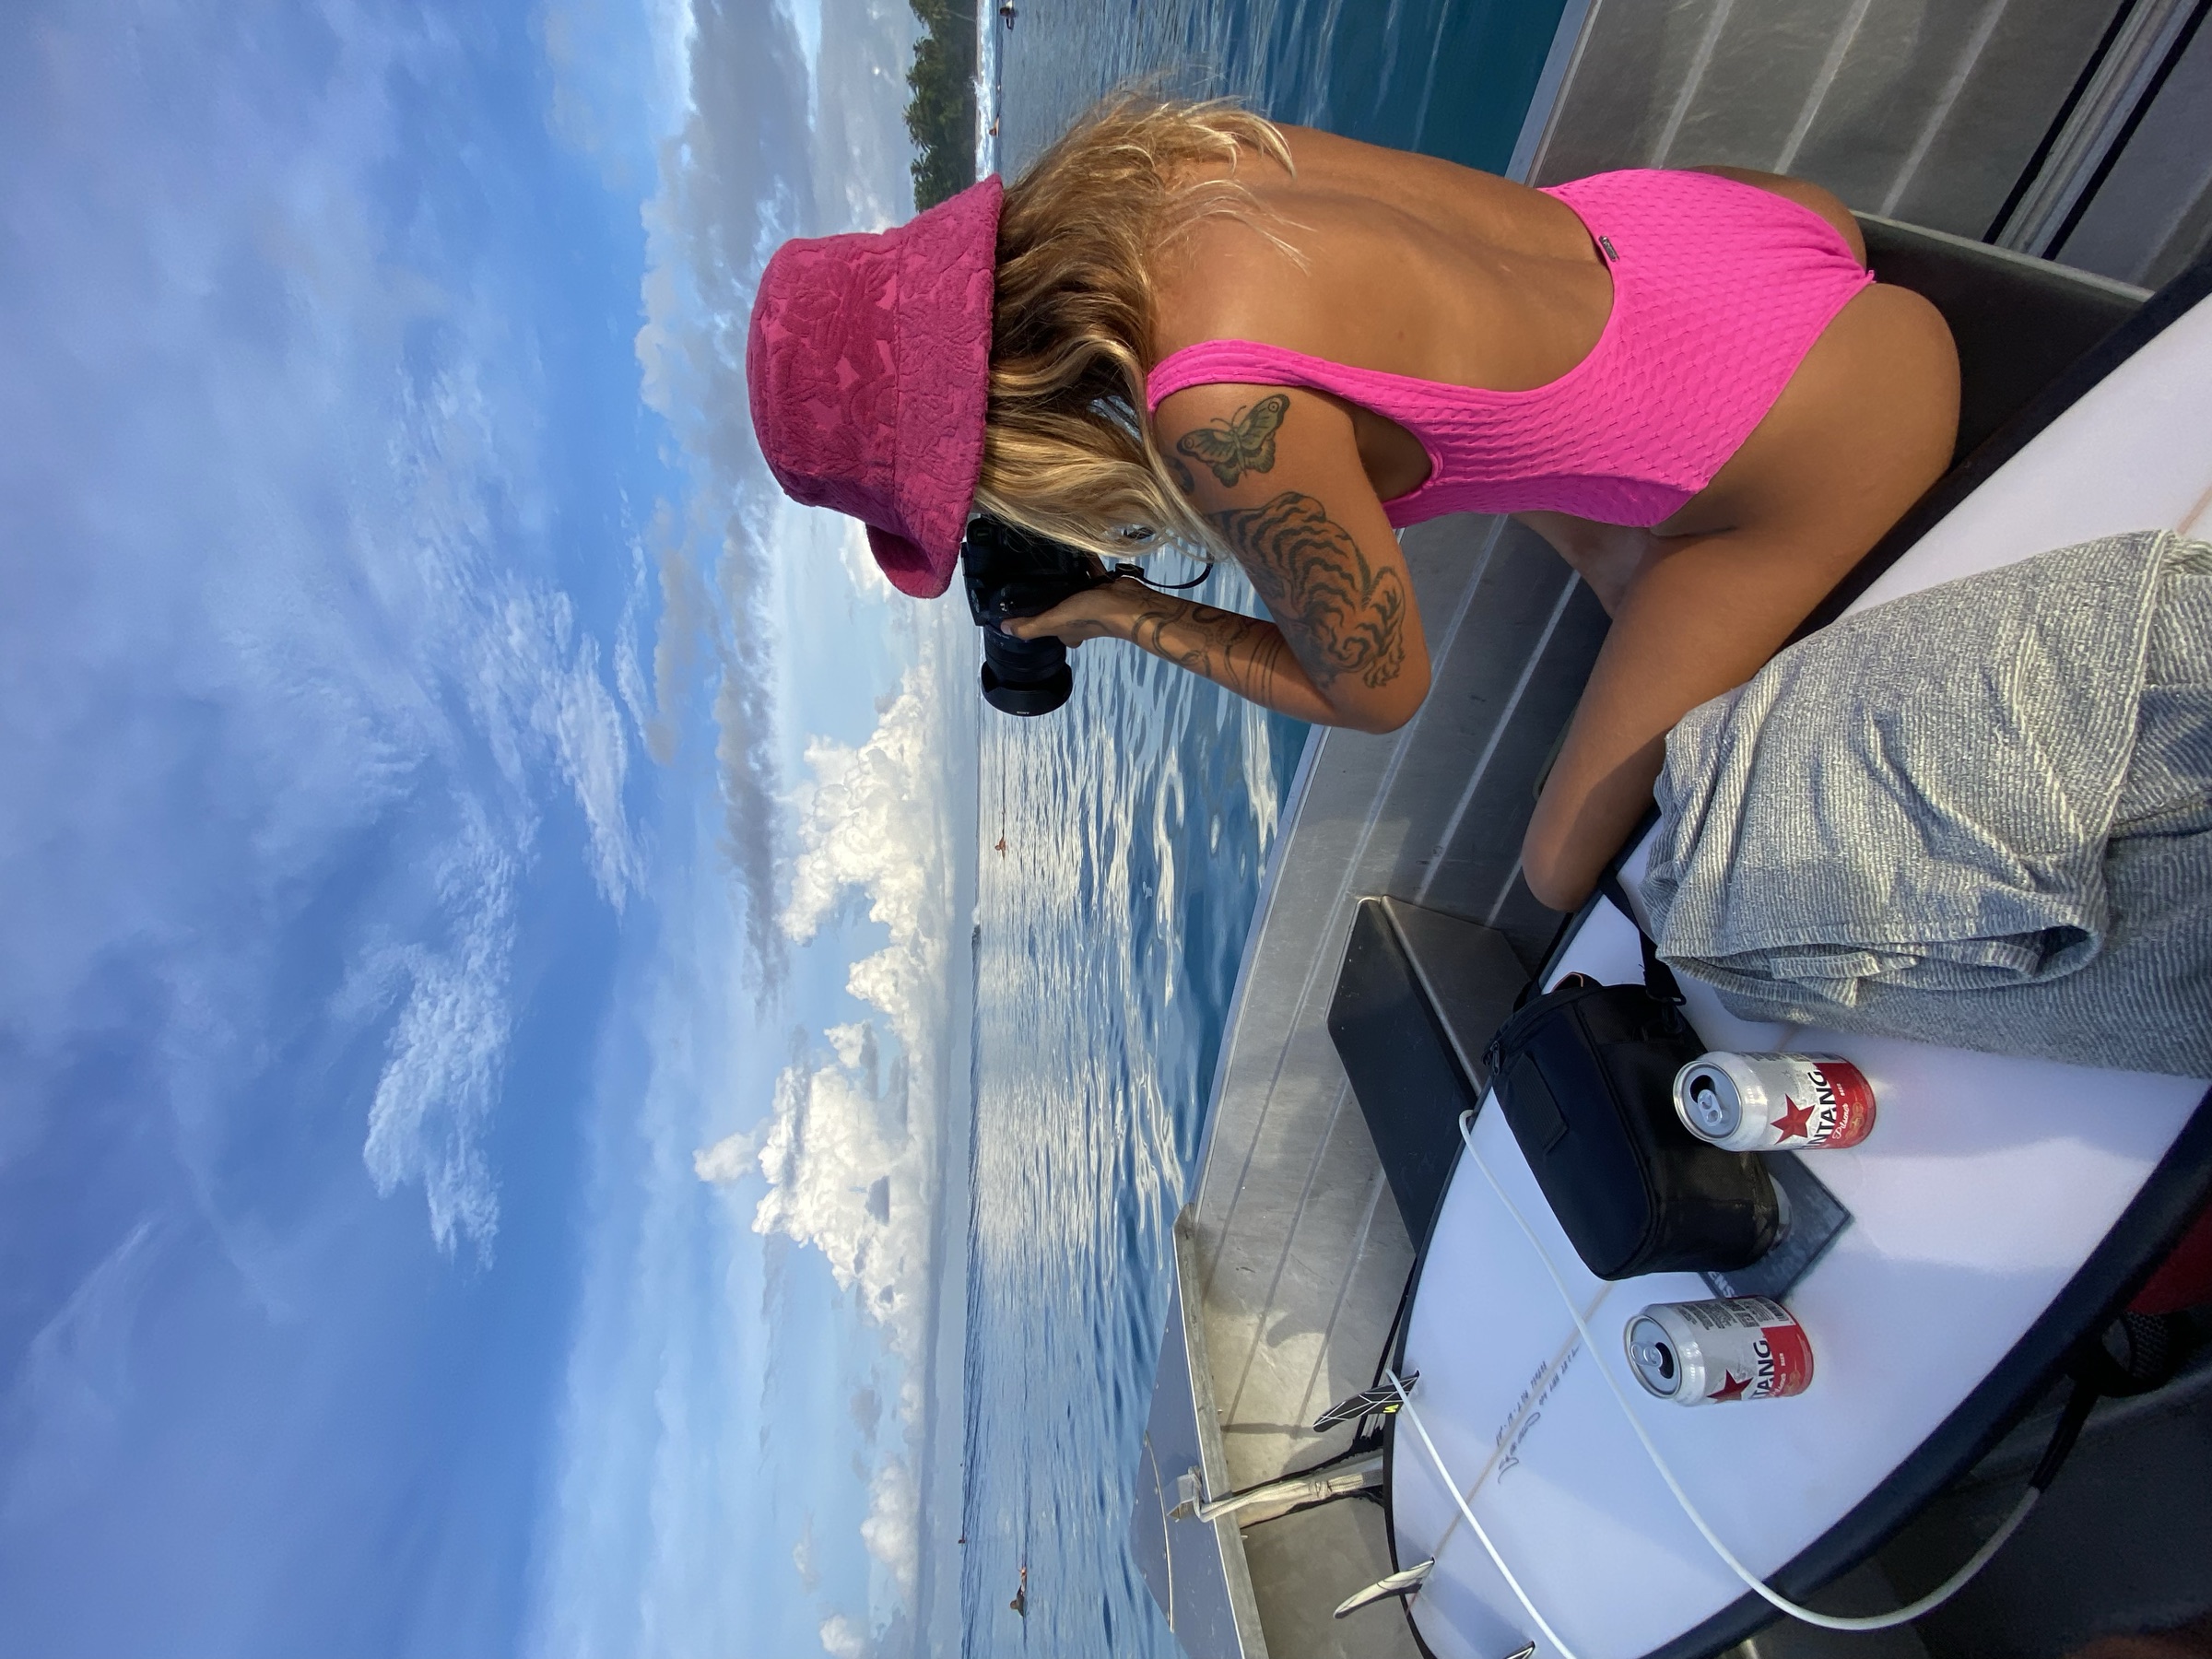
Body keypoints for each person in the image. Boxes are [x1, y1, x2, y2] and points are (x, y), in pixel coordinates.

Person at [745, 96, 1959, 911]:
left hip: (1851, 411)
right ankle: (1652, 537)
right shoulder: (1170, 155)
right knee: (1450, 419)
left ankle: (1693, 543)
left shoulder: (1214, 415)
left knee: (1552, 868)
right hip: (1751, 232)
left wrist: (1115, 609)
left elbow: (1373, 692)